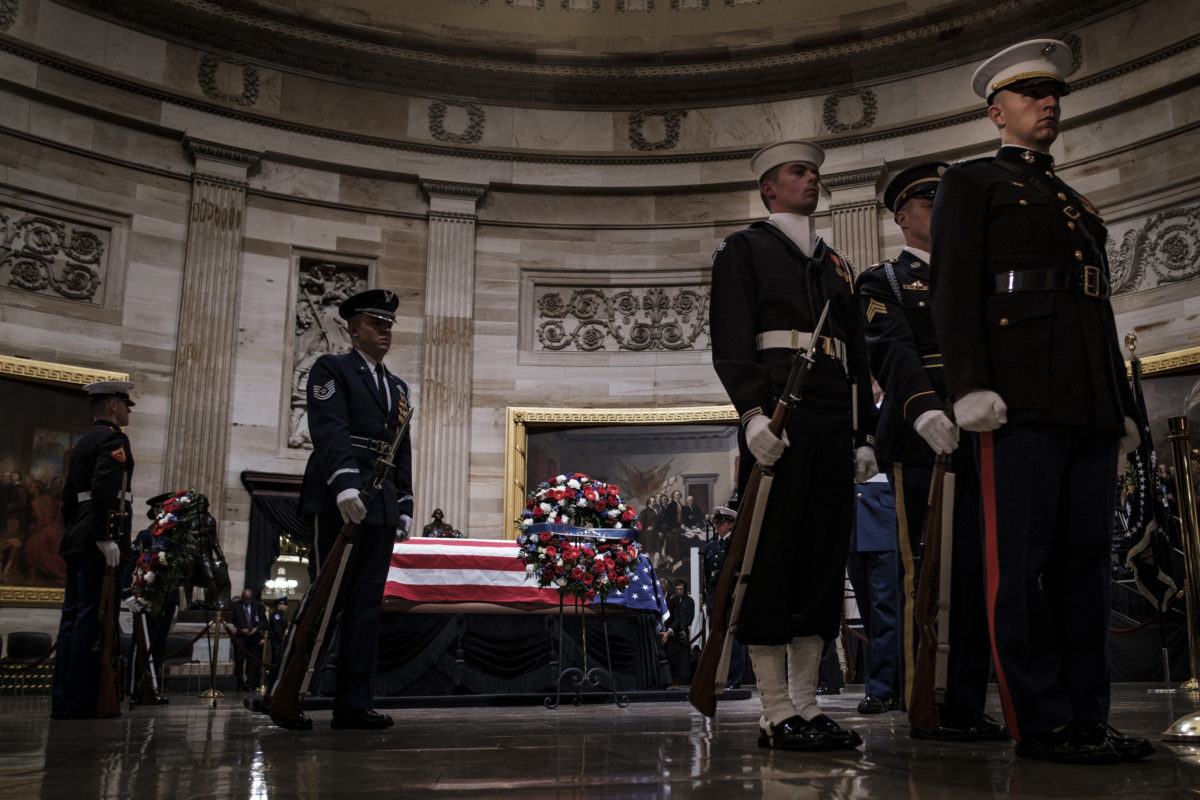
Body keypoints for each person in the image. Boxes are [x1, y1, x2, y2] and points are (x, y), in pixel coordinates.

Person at [929, 39, 1152, 764]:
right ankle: (1041, 720)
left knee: (1087, 562)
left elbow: (1099, 309)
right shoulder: (970, 183)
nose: (1049, 103)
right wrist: (968, 385)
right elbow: (956, 290)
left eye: (1053, 94)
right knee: (1019, 563)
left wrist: (1121, 405)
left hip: (1086, 395)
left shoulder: (1072, 201)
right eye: (1031, 94)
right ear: (998, 112)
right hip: (1016, 397)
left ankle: (1089, 714)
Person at [709, 140, 877, 751]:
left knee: (822, 561)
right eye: (797, 172)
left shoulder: (836, 265)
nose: (811, 180)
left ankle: (808, 702)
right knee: (772, 558)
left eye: (814, 173)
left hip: (832, 420)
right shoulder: (744, 249)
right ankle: (773, 707)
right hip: (777, 415)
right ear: (769, 189)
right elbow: (730, 337)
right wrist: (752, 413)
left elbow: (857, 359)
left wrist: (864, 435)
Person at [856, 164, 1004, 740]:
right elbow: (890, 351)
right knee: (928, 571)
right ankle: (929, 697)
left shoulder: (976, 272)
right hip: (921, 437)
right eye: (928, 200)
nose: (940, 208)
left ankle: (966, 699)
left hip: (986, 428)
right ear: (903, 216)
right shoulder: (884, 280)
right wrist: (923, 409)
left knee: (980, 568)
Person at [291, 288, 414, 730]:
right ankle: (291, 692)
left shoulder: (396, 387)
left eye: (389, 325)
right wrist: (343, 483)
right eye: (376, 323)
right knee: (325, 599)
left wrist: (403, 501)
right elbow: (329, 427)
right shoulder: (332, 368)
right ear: (354, 327)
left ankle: (353, 703)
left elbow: (401, 448)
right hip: (339, 497)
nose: (385, 331)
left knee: (365, 606)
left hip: (379, 503)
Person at [51, 380, 136, 720]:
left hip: (78, 539)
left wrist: (80, 531)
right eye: (126, 404)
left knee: (73, 617)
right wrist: (105, 536)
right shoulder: (114, 440)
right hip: (98, 543)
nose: (129, 410)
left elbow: (69, 498)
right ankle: (85, 698)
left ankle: (66, 697)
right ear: (113, 405)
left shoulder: (84, 442)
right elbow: (106, 490)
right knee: (94, 618)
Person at [845, 470, 901, 714]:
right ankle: (897, 684)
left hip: (881, 508)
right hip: (852, 518)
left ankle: (881, 690)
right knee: (869, 611)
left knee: (884, 610)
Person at [702, 505, 746, 689]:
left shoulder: (735, 545)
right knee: (717, 639)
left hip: (730, 596)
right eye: (717, 523)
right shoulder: (711, 546)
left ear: (730, 524)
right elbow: (707, 574)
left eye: (721, 523)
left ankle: (734, 680)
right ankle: (719, 676)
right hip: (715, 596)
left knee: (733, 641)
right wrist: (707, 599)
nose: (718, 526)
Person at [232, 588, 266, 691]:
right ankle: (240, 683)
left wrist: (255, 629)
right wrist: (241, 630)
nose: (247, 603)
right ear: (242, 597)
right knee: (239, 661)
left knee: (252, 662)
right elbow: (232, 621)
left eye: (249, 601)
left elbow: (262, 620)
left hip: (253, 638)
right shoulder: (235, 606)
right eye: (245, 601)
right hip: (240, 638)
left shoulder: (258, 605)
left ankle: (250, 683)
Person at [665, 579, 696, 685]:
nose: (679, 591)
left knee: (684, 656)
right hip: (674, 631)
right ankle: (673, 679)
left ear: (684, 589)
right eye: (677, 589)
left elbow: (690, 616)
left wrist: (684, 625)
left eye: (681, 589)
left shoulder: (689, 601)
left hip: (684, 629)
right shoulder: (673, 600)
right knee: (673, 655)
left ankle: (684, 679)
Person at [267, 597, 289, 679]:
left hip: (279, 642)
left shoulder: (280, 615)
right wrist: (283, 639)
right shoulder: (276, 615)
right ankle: (274, 678)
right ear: (279, 605)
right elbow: (278, 630)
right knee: (276, 660)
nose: (286, 607)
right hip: (277, 642)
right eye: (285, 605)